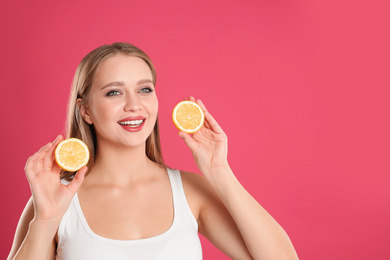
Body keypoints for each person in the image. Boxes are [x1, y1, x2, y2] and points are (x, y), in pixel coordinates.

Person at [7, 42, 298, 260]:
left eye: (145, 89)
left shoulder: (190, 191)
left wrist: (219, 171)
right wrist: (45, 219)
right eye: (114, 92)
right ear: (85, 111)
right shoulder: (55, 201)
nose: (135, 105)